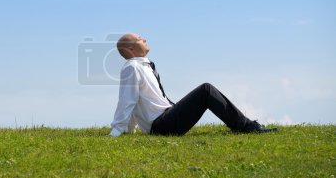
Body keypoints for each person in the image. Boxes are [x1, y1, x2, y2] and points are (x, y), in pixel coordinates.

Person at [109, 33, 278, 137]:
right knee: (206, 90)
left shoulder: (143, 65)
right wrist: (116, 131)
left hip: (166, 118)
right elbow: (127, 100)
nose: (144, 38)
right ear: (131, 49)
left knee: (205, 91)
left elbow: (136, 100)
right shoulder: (132, 67)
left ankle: (245, 125)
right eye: (139, 38)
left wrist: (129, 130)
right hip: (162, 125)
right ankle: (246, 127)